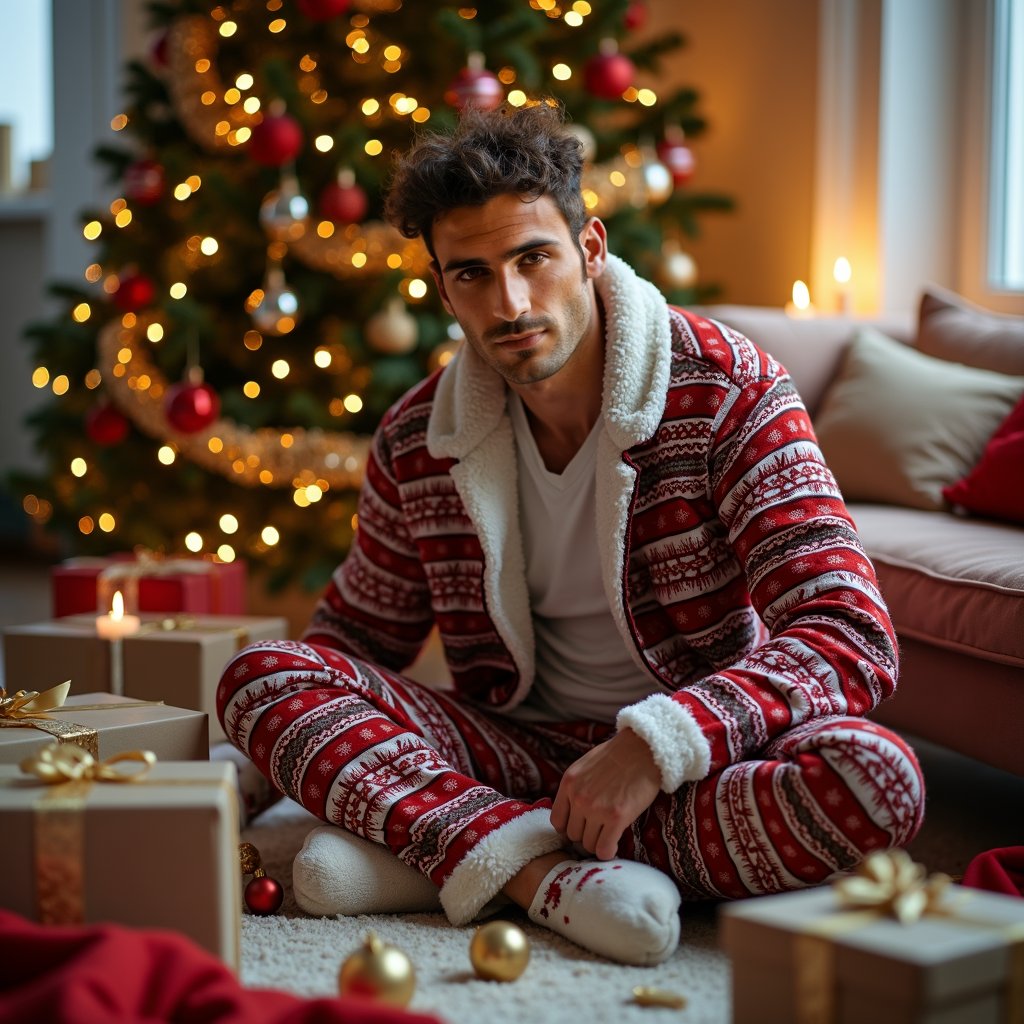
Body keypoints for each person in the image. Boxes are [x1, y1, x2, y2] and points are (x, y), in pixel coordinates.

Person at [217, 102, 925, 966]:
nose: (510, 303)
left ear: (590, 248)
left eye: (533, 258)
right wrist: (245, 773)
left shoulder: (731, 392)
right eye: (472, 274)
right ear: (443, 289)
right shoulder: (416, 439)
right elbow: (355, 642)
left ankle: (449, 847)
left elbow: (848, 633)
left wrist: (655, 746)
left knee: (875, 779)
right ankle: (538, 874)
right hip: (506, 747)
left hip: (686, 759)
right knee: (260, 677)